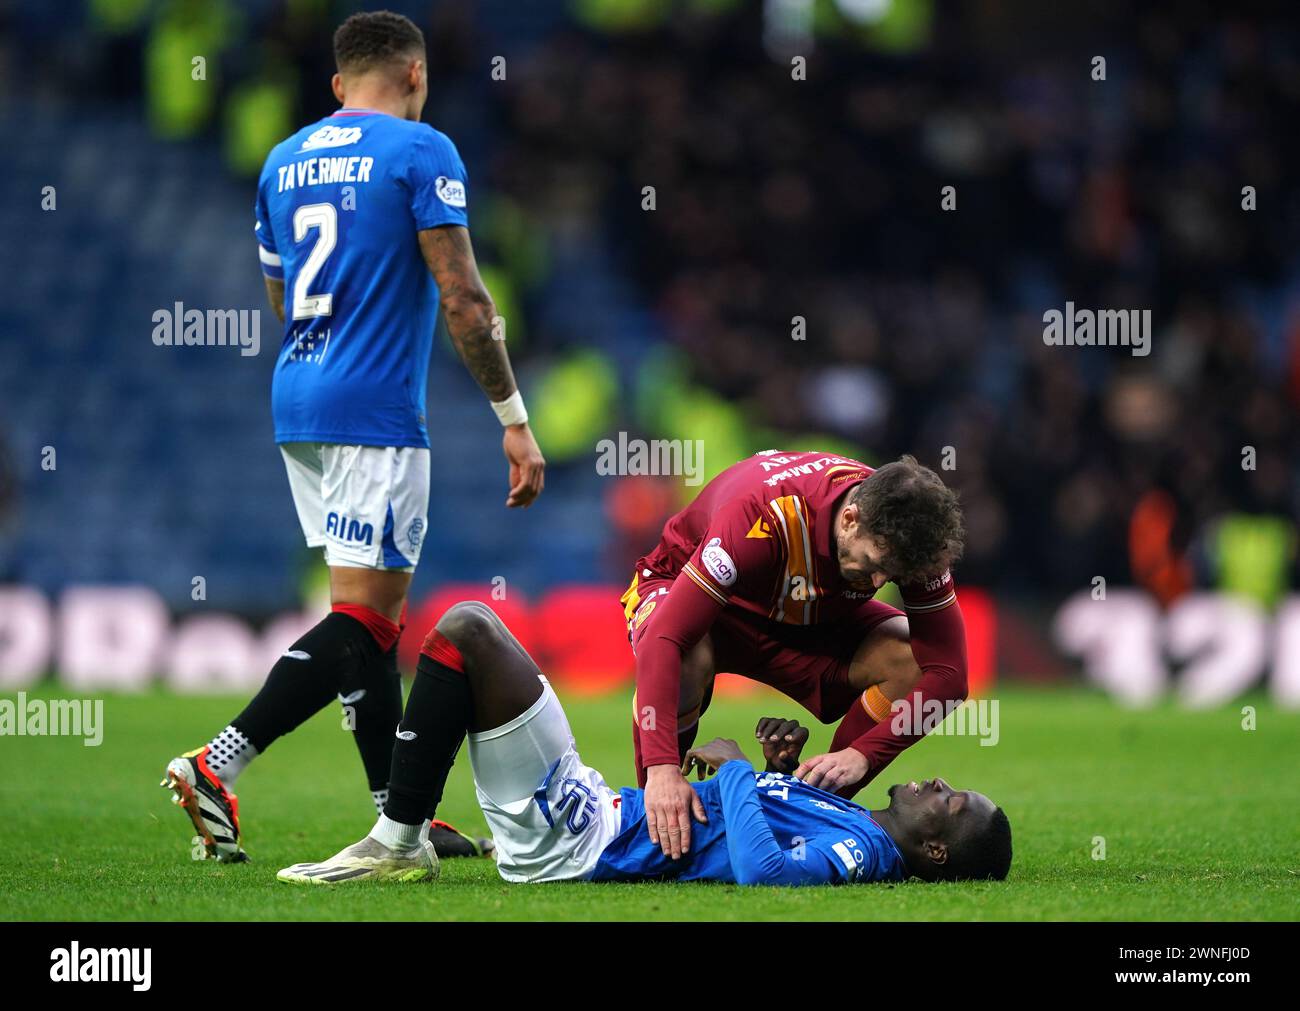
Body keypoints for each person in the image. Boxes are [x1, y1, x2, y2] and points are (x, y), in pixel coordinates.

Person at [162, 11, 544, 862]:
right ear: (414, 75)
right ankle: (215, 762)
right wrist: (514, 422)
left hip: (298, 396)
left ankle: (399, 818)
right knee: (368, 625)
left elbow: (281, 294)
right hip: (374, 409)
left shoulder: (283, 159)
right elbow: (467, 302)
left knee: (366, 617)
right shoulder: (422, 151)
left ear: (338, 84)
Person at [276, 602, 1012, 886]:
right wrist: (783, 773)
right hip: (597, 811)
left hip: (583, 838)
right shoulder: (859, 824)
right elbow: (778, 831)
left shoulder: (869, 853)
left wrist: (736, 773)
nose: (937, 781)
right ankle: (435, 831)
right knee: (473, 646)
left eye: (950, 800)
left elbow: (765, 871)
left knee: (468, 630)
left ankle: (399, 838)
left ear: (936, 850)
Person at [623, 450, 968, 860]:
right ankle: (658, 816)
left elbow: (951, 676)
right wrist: (660, 767)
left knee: (907, 661)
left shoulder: (910, 535)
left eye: (892, 576)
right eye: (876, 564)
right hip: (698, 600)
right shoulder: (762, 517)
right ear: (850, 519)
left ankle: (807, 807)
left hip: (803, 616)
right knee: (684, 655)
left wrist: (863, 754)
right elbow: (667, 637)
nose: (878, 581)